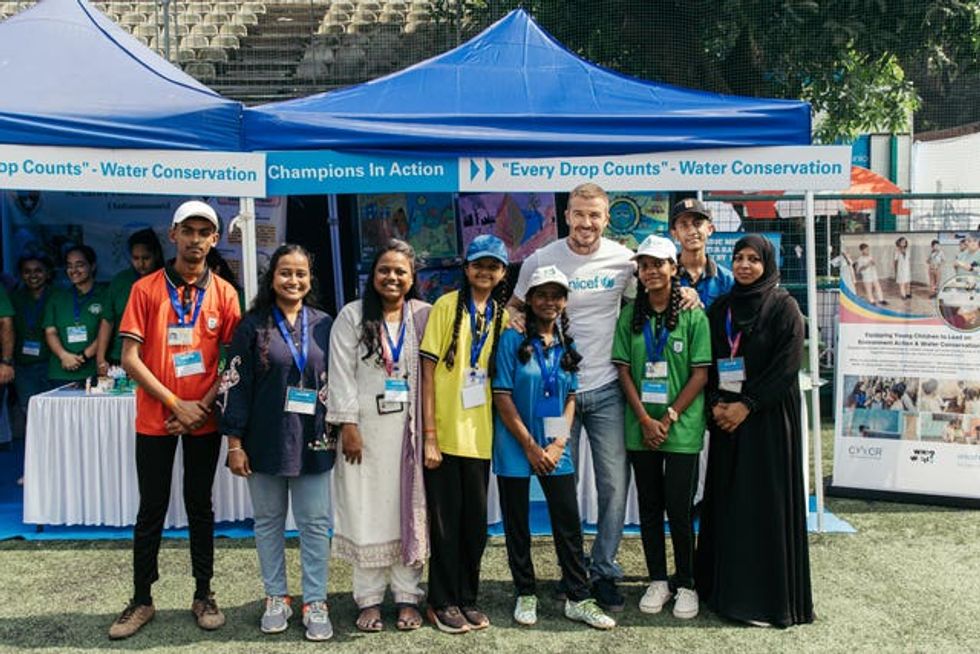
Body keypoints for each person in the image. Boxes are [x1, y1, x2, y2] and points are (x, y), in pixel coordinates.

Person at [109, 200, 241, 640]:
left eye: (205, 232)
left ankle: (204, 592)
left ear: (215, 240)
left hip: (202, 417)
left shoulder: (224, 292)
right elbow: (129, 358)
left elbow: (231, 359)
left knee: (200, 506)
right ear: (173, 235)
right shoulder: (145, 289)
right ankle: (141, 598)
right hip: (156, 419)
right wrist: (175, 403)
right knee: (151, 509)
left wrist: (198, 405)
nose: (196, 239)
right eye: (189, 231)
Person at [506, 183, 635, 611]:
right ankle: (572, 571)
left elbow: (647, 305)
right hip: (558, 396)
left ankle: (604, 570)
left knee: (613, 486)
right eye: (579, 214)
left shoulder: (624, 260)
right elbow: (515, 308)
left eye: (594, 215)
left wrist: (686, 294)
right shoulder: (542, 259)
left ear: (606, 218)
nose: (586, 223)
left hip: (609, 391)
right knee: (563, 486)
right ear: (566, 215)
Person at [695, 234, 814, 628]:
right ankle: (723, 594)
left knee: (764, 505)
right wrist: (718, 403)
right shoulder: (722, 309)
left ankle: (766, 602)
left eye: (753, 259)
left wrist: (748, 405)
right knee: (729, 504)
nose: (745, 265)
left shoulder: (784, 307)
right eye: (738, 258)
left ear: (767, 264)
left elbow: (786, 366)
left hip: (767, 424)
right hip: (727, 421)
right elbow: (708, 362)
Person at [221, 244, 335, 641]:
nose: (293, 280)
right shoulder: (252, 326)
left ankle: (315, 600)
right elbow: (235, 386)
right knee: (268, 522)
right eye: (285, 272)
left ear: (310, 279)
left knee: (316, 524)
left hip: (314, 440)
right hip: (264, 440)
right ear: (272, 278)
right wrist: (234, 444)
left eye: (301, 273)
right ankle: (276, 596)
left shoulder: (325, 324)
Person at [493, 265, 615, 631]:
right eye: (542, 295)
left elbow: (571, 395)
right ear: (528, 299)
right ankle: (525, 592)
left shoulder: (567, 343)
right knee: (518, 524)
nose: (550, 302)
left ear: (565, 301)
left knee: (567, 521)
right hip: (515, 444)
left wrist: (559, 442)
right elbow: (501, 395)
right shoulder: (512, 338)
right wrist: (530, 447)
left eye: (557, 295)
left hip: (554, 443)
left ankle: (579, 597)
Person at [327, 239, 430, 633]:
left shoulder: (424, 315)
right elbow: (340, 375)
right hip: (365, 435)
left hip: (411, 436)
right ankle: (368, 599)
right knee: (366, 510)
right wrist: (348, 426)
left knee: (409, 511)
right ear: (372, 275)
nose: (392, 277)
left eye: (400, 271)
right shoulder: (352, 316)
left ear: (412, 277)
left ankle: (407, 596)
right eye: (385, 269)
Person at [611, 235, 711, 620]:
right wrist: (644, 418)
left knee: (680, 509)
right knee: (650, 508)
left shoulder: (692, 314)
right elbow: (622, 369)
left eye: (659, 264)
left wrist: (667, 417)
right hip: (641, 429)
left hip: (680, 430)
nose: (651, 271)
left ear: (674, 268)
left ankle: (686, 583)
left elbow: (700, 374)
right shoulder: (630, 315)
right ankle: (658, 579)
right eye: (645, 265)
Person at [420, 234, 509, 633]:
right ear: (467, 268)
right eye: (479, 264)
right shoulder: (444, 307)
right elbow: (426, 372)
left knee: (474, 524)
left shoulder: (502, 316)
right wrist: (430, 435)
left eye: (493, 266)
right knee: (444, 524)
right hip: (444, 437)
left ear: (503, 272)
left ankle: (466, 597)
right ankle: (441, 600)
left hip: (480, 437)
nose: (485, 271)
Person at [97, 228, 165, 373]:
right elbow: (107, 320)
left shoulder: (167, 280)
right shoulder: (120, 281)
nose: (141, 264)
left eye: (146, 258)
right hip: (121, 359)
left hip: (157, 359)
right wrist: (100, 358)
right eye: (136, 258)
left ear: (156, 255)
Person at [42, 245, 106, 386]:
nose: (73, 270)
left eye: (80, 265)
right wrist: (64, 356)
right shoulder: (57, 297)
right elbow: (50, 331)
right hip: (60, 372)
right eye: (69, 266)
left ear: (92, 266)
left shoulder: (105, 295)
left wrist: (83, 356)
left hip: (92, 371)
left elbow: (106, 331)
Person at [10, 254, 53, 448]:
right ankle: (33, 466)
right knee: (31, 415)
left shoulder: (57, 295)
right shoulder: (15, 297)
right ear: (20, 274)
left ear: (47, 273)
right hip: (24, 366)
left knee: (53, 416)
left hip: (51, 364)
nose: (33, 275)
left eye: (38, 270)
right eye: (27, 271)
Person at [668, 198, 734, 310]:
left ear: (710, 229)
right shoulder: (666, 276)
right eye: (684, 225)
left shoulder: (727, 280)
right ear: (675, 234)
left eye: (697, 224)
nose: (692, 231)